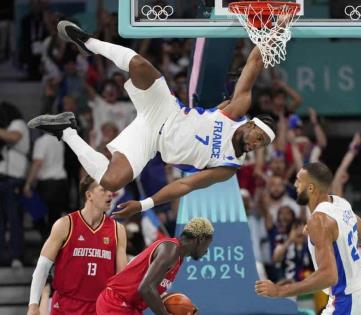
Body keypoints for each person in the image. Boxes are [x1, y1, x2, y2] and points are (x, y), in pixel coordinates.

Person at [28, 20, 277, 218]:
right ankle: (88, 42)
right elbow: (254, 63)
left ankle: (66, 130)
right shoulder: (236, 111)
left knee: (112, 181)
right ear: (252, 124)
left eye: (261, 145)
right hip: (165, 109)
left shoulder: (229, 166)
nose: (256, 145)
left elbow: (185, 186)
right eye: (259, 137)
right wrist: (273, 30)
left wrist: (144, 205)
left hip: (150, 142)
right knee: (139, 64)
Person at [255, 162, 361, 315]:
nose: (295, 184)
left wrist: (280, 291)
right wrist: (333, 237)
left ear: (311, 188)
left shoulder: (319, 220)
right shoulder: (341, 204)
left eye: (299, 180)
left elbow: (328, 276)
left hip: (347, 298)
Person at [27, 175, 127, 315]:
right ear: (89, 195)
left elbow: (122, 276)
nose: (110, 193)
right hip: (65, 305)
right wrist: (33, 305)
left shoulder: (118, 230)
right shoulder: (65, 224)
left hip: (99, 306)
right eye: (103, 190)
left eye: (110, 190)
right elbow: (42, 267)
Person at [96, 217, 214, 315]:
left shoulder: (177, 255)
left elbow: (153, 288)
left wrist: (184, 306)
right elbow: (146, 288)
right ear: (200, 239)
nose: (206, 251)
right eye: (207, 245)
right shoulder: (171, 249)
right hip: (116, 302)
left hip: (130, 306)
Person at [0, 101, 30, 267]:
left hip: (14, 180)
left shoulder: (17, 123)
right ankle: (3, 257)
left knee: (14, 220)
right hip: (3, 179)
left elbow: (13, 137)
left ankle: (16, 256)